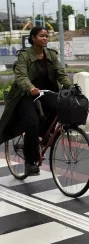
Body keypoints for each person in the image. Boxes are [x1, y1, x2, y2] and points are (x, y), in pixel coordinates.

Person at [0, 27, 73, 176]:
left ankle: (43, 137)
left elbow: (60, 73)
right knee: (32, 122)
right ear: (33, 38)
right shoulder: (24, 55)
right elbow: (21, 76)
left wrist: (70, 86)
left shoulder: (51, 55)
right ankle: (30, 162)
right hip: (26, 94)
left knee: (60, 107)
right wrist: (31, 88)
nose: (45, 38)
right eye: (42, 36)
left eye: (47, 36)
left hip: (46, 92)